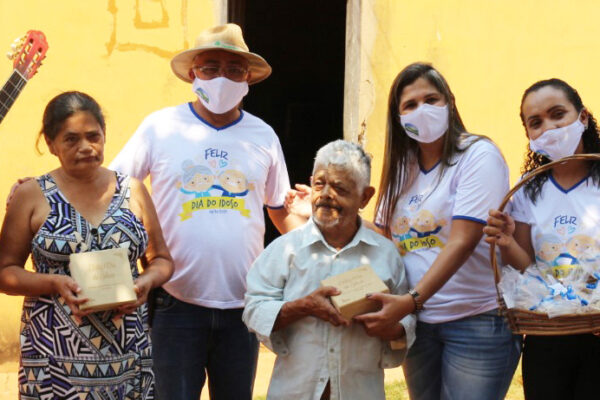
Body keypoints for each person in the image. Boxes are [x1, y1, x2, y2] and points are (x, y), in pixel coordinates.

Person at [286, 62, 521, 400]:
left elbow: (463, 240)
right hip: (420, 324)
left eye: (431, 99)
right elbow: (384, 239)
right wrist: (327, 208)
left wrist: (410, 301)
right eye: (409, 105)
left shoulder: (478, 155)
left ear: (450, 103)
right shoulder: (403, 167)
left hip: (475, 319)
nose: (421, 110)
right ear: (398, 118)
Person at [109, 23, 303, 400]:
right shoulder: (160, 127)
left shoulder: (263, 136)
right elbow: (113, 189)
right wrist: (52, 188)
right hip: (175, 302)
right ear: (193, 73)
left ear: (247, 78)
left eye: (233, 70)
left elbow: (279, 211)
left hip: (243, 306)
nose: (221, 78)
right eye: (211, 67)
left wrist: (325, 242)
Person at [0, 91, 173, 399]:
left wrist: (145, 282)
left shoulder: (132, 190)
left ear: (104, 136)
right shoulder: (31, 195)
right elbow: (6, 272)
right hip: (52, 353)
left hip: (127, 350)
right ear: (51, 144)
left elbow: (161, 259)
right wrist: (54, 282)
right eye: (71, 139)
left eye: (93, 136)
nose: (85, 147)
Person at [243, 140, 416, 400]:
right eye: (320, 184)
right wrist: (303, 306)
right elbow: (253, 309)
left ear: (365, 196)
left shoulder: (385, 255)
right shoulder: (285, 250)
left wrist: (391, 328)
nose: (326, 195)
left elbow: (407, 323)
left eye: (339, 187)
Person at [484, 78, 600, 400]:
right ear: (529, 136)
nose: (548, 127)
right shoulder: (527, 190)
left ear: (583, 118)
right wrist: (507, 241)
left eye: (557, 114)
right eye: (536, 123)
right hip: (547, 332)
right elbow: (527, 270)